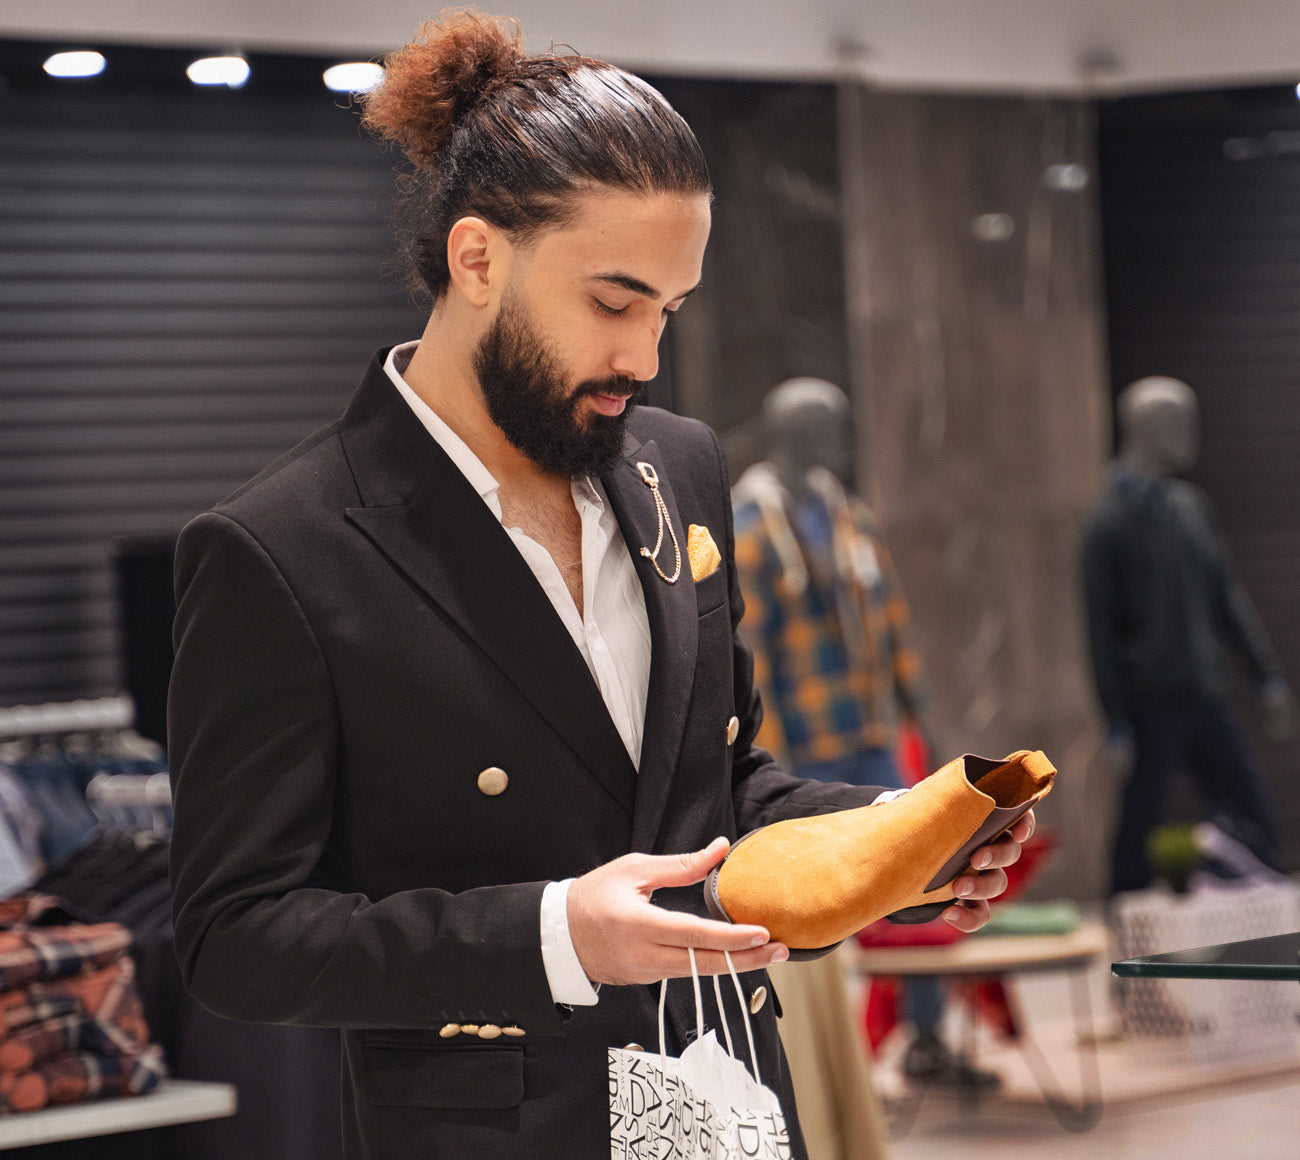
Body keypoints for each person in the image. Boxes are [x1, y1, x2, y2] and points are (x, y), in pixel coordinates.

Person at [166, 14, 1032, 1160]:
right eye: (614, 302)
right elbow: (238, 935)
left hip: (732, 1098)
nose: (646, 356)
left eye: (669, 309)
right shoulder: (281, 546)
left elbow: (713, 794)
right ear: (477, 259)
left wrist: (888, 846)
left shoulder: (680, 465)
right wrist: (552, 933)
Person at [733, 377, 1000, 1092]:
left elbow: (892, 624)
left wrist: (920, 713)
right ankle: (816, 1062)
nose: (841, 440)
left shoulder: (846, 515)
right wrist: (771, 756)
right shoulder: (751, 528)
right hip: (804, 743)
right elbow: (749, 651)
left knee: (917, 874)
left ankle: (925, 1036)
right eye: (829, 426)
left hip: (871, 732)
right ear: (792, 432)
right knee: (814, 901)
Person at [1082, 375, 1296, 896]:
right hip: (1150, 702)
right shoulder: (1108, 522)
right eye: (1179, 422)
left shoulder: (1191, 509)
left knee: (1252, 809)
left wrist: (1266, 676)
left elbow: (1227, 599)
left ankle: (1260, 909)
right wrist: (1115, 719)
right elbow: (1100, 631)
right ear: (1147, 427)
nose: (1191, 435)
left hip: (1206, 692)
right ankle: (1124, 926)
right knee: (1140, 819)